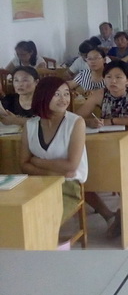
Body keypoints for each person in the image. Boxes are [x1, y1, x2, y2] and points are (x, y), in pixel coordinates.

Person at [76, 60, 128, 237]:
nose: (113, 81)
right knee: (83, 173)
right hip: (105, 141)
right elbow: (76, 118)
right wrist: (90, 122)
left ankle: (126, 213)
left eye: (118, 77)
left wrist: (112, 121)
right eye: (108, 77)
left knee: (121, 170)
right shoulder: (99, 94)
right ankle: (110, 216)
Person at [19, 77, 88, 224]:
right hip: (36, 185)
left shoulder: (76, 122)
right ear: (43, 96)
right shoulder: (30, 125)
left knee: (43, 220)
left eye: (66, 93)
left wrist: (36, 161)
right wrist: (53, 173)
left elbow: (71, 166)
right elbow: (24, 165)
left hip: (67, 188)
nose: (63, 99)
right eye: (57, 94)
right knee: (19, 217)